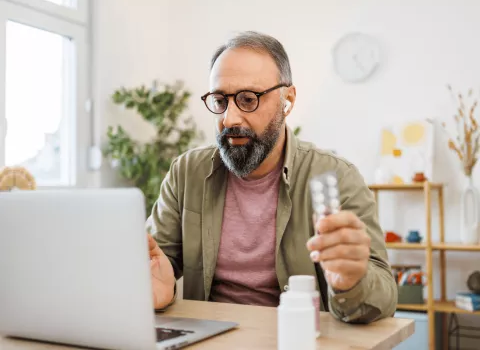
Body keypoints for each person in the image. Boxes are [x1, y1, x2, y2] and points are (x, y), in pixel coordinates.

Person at [146, 31, 397, 324]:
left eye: (248, 99)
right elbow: (156, 261)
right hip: (208, 339)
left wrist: (352, 282)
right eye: (219, 100)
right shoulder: (187, 172)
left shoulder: (336, 177)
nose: (230, 119)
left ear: (287, 100)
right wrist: (152, 288)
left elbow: (385, 299)